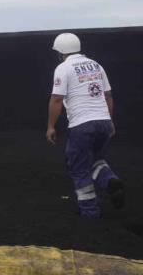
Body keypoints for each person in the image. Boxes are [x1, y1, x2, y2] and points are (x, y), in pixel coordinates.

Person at [46, 33, 124, 218]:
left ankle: (89, 212)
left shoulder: (63, 68)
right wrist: (110, 121)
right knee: (95, 158)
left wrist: (50, 126)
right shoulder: (96, 65)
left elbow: (57, 99)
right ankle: (110, 180)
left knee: (78, 166)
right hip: (103, 122)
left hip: (82, 125)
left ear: (61, 52)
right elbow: (108, 96)